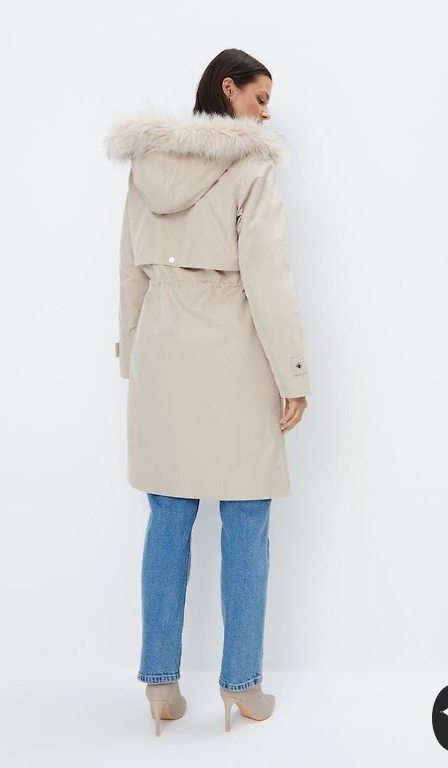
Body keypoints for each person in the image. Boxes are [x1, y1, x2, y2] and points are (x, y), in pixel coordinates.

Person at [104, 48, 311, 736]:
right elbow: (269, 280)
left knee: (169, 515)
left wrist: (132, 356)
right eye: (260, 97)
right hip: (233, 355)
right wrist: (293, 375)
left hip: (162, 352)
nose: (267, 113)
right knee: (246, 518)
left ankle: (161, 687)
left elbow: (129, 271)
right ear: (229, 89)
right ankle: (243, 686)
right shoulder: (251, 166)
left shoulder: (145, 164)